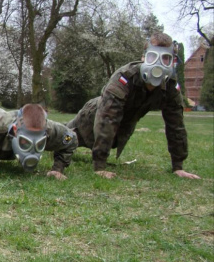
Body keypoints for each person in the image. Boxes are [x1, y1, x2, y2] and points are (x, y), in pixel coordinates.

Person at [66, 32, 200, 179]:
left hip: (119, 129)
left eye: (165, 59)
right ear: (143, 57)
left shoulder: (170, 86)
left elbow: (176, 125)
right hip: (89, 119)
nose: (158, 64)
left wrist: (178, 166)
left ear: (172, 62)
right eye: (152, 57)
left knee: (95, 139)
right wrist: (100, 166)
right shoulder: (124, 77)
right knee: (61, 138)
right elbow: (107, 118)